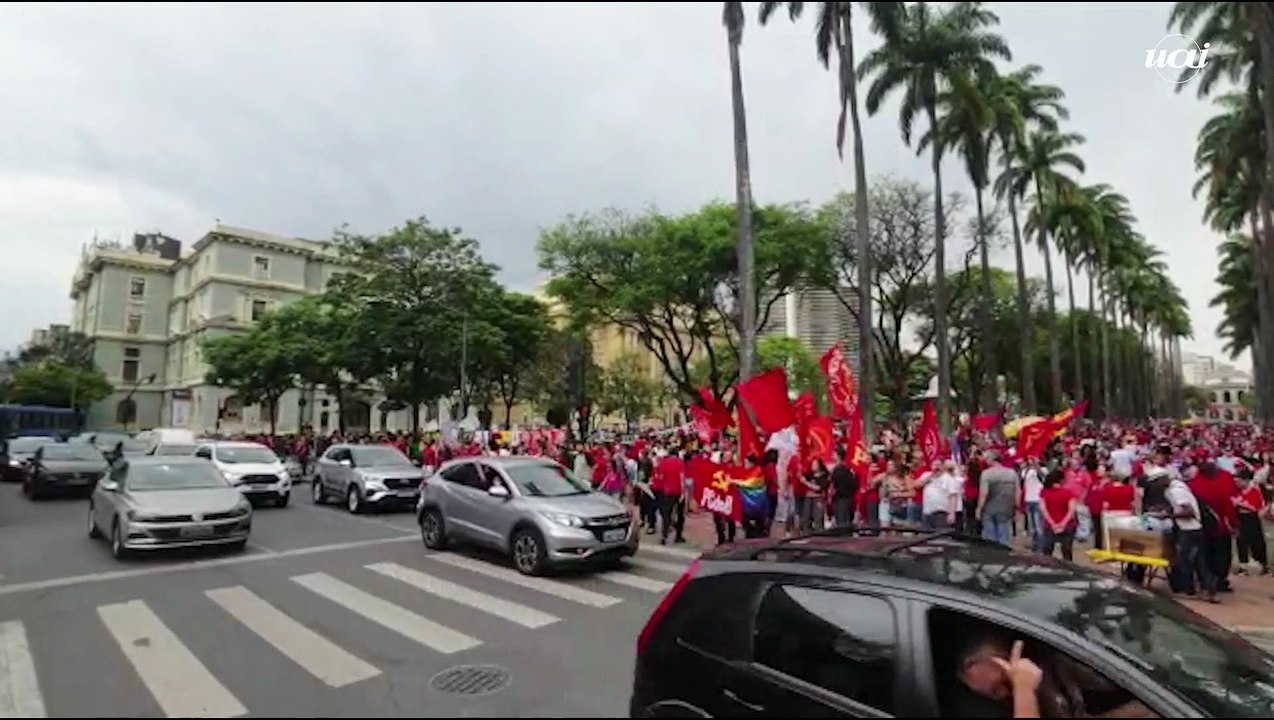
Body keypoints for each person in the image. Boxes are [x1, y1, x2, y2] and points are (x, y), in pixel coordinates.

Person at [977, 452, 1019, 546]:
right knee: (1004, 534)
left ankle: (992, 557)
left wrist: (979, 508)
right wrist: (1016, 507)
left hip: (989, 509)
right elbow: (1017, 492)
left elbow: (984, 493)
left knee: (989, 537)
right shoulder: (1012, 473)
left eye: (987, 459)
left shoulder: (987, 474)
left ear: (992, 459)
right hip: (1007, 508)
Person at [1039, 468, 1077, 561]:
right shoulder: (1068, 493)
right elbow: (1071, 510)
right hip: (1068, 526)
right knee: (1067, 551)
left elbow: (1043, 510)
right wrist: (1063, 524)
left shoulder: (1044, 492)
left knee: (1047, 551)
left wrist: (1053, 524)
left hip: (1049, 526)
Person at [829, 448, 858, 529]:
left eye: (834, 454)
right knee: (839, 519)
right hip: (837, 498)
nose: (832, 455)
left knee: (843, 522)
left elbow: (853, 484)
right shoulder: (835, 469)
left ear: (838, 456)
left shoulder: (846, 470)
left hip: (844, 498)